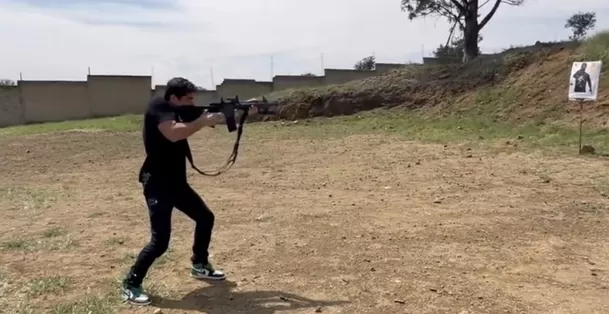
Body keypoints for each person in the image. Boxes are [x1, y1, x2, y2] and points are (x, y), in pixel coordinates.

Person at [120, 77, 257, 305]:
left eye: (194, 98)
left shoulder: (183, 110)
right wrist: (203, 121)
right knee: (160, 241)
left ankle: (200, 264)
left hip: (177, 184)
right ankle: (131, 283)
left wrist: (243, 111)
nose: (193, 102)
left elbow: (216, 117)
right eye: (189, 98)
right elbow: (174, 133)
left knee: (205, 218)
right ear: (174, 97)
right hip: (157, 184)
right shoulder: (159, 108)